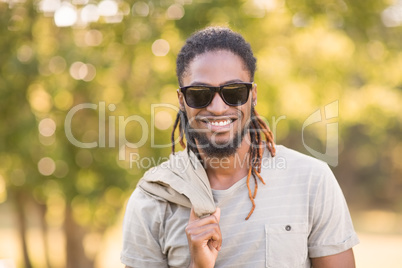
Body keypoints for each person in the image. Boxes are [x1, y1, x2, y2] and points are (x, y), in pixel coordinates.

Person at [121, 26, 359, 268]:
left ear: (252, 95)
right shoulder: (151, 200)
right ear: (182, 100)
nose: (217, 107)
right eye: (199, 93)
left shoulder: (311, 180)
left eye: (233, 92)